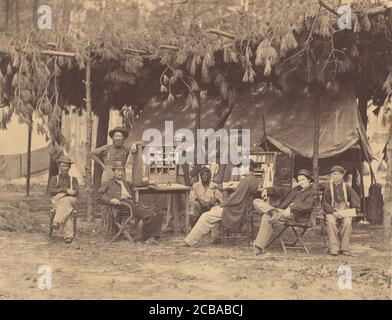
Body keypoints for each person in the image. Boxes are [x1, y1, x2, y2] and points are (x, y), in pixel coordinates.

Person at [183, 159, 259, 247]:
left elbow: (236, 198)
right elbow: (237, 197)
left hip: (235, 211)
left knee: (206, 216)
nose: (240, 169)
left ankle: (190, 240)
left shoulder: (246, 181)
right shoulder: (253, 180)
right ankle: (214, 235)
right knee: (213, 209)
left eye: (241, 167)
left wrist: (223, 203)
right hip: (240, 208)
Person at [96, 161, 164, 242]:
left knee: (160, 212)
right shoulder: (109, 183)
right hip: (123, 206)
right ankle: (143, 238)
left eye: (122, 171)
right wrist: (111, 200)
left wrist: (150, 182)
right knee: (150, 214)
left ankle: (154, 237)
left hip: (132, 204)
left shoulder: (124, 182)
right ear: (113, 172)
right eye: (118, 170)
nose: (120, 173)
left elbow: (137, 183)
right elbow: (99, 196)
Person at [253, 169, 314, 256]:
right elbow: (280, 190)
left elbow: (307, 206)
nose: (301, 182)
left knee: (267, 216)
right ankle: (273, 212)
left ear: (309, 180)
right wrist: (266, 190)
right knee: (256, 201)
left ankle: (258, 247)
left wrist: (291, 208)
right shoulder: (296, 189)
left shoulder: (312, 192)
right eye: (299, 180)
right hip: (281, 213)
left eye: (303, 179)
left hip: (295, 216)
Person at [322, 165, 361, 256]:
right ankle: (334, 248)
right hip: (332, 210)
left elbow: (356, 200)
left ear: (342, 175)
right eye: (334, 174)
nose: (336, 176)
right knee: (331, 222)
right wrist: (333, 212)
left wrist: (352, 211)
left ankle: (345, 248)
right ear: (331, 175)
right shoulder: (328, 188)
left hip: (344, 210)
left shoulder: (347, 187)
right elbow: (325, 203)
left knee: (347, 222)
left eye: (339, 174)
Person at [49, 155, 79, 244]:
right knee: (67, 210)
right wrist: (66, 191)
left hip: (70, 200)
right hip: (58, 202)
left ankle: (57, 221)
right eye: (62, 166)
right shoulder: (55, 178)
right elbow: (51, 190)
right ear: (59, 167)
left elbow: (76, 192)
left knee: (65, 201)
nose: (64, 168)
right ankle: (68, 236)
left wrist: (63, 195)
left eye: (66, 166)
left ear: (69, 167)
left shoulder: (73, 179)